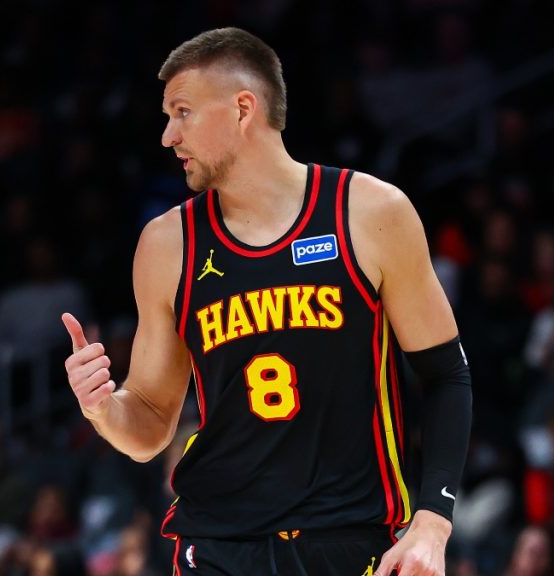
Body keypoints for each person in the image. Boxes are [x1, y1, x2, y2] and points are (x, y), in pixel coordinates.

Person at [62, 27, 472, 576]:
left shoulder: (370, 212)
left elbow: (446, 374)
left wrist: (434, 521)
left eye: (182, 113)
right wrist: (103, 409)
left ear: (242, 109)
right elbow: (151, 421)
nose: (167, 136)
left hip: (348, 541)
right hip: (218, 545)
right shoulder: (166, 244)